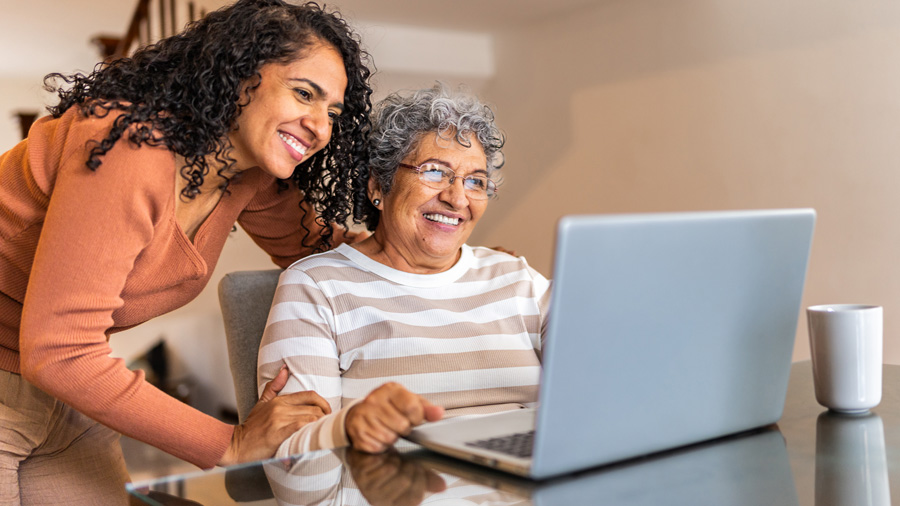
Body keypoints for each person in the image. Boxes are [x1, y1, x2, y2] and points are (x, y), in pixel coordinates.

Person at [0, 0, 372, 503]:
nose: (320, 127)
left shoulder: (247, 177)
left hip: (60, 398)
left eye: (333, 113)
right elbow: (61, 350)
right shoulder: (129, 146)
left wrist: (461, 261)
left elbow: (330, 254)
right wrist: (232, 442)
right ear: (239, 73)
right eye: (304, 93)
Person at [258, 83, 551, 457]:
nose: (457, 198)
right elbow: (296, 472)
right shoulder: (316, 286)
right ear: (379, 185)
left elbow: (610, 380)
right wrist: (343, 430)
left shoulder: (516, 277)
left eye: (475, 180)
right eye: (434, 172)